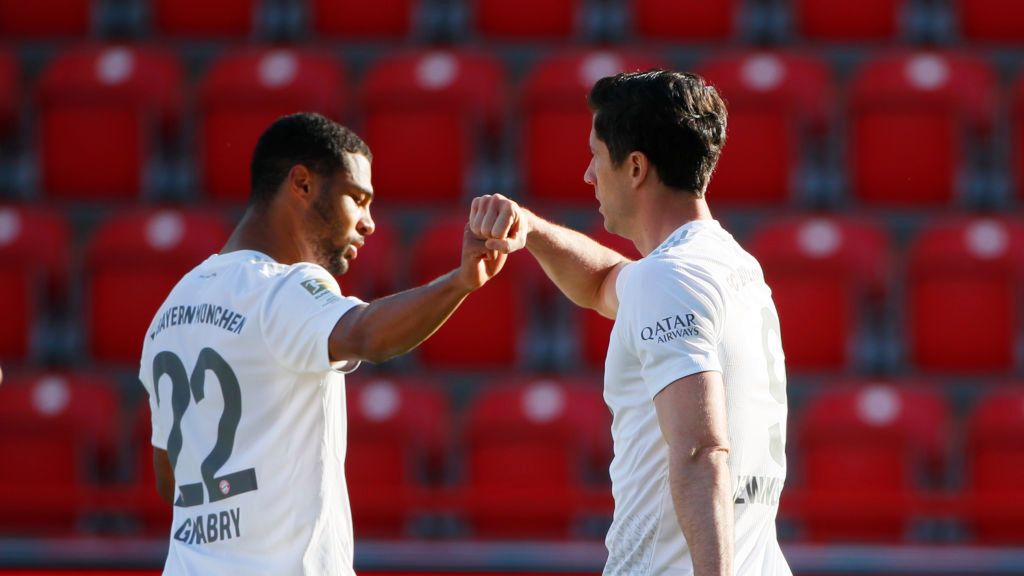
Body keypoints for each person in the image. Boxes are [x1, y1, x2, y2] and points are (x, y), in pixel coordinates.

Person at [139, 112, 507, 575]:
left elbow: (170, 478)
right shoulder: (283, 287)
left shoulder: (173, 307)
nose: (370, 224)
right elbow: (367, 334)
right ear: (302, 183)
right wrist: (460, 281)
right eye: (358, 198)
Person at [470, 71, 791, 576]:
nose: (588, 175)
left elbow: (699, 449)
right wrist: (530, 229)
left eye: (596, 155)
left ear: (635, 167)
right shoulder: (731, 266)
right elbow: (601, 284)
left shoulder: (667, 280)